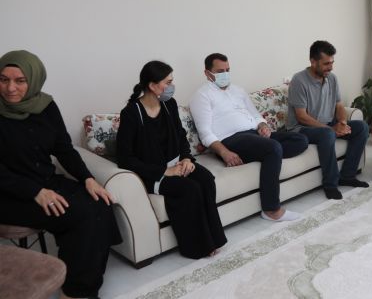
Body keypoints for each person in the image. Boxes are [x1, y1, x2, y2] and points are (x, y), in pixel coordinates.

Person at [0, 50, 121, 299]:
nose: (10, 88)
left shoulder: (46, 106)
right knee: (81, 214)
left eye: (20, 81)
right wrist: (34, 192)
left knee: (101, 203)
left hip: (45, 181)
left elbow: (63, 148)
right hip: (10, 194)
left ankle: (82, 285)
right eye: (3, 79)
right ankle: (77, 293)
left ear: (34, 80)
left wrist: (87, 178)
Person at [117, 60, 227, 258]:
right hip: (151, 173)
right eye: (168, 82)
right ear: (152, 85)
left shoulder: (169, 104)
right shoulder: (132, 113)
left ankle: (214, 238)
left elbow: (181, 136)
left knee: (206, 179)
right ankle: (197, 247)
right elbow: (125, 159)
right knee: (190, 189)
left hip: (177, 164)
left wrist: (187, 159)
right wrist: (164, 171)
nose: (172, 86)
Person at [190, 53, 307, 221]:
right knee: (273, 148)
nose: (225, 74)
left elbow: (256, 115)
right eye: (220, 71)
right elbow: (205, 133)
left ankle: (265, 155)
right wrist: (224, 152)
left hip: (254, 135)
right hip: (231, 140)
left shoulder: (238, 90)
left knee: (300, 140)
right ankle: (271, 210)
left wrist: (262, 126)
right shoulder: (202, 96)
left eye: (228, 70)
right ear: (207, 73)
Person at [286, 40, 369, 200]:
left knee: (362, 127)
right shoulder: (299, 81)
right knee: (327, 134)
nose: (330, 67)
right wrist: (331, 129)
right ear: (313, 61)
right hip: (301, 128)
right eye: (326, 64)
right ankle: (330, 184)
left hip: (326, 124)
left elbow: (339, 105)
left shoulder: (332, 78)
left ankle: (348, 176)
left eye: (332, 63)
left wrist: (342, 123)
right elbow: (301, 116)